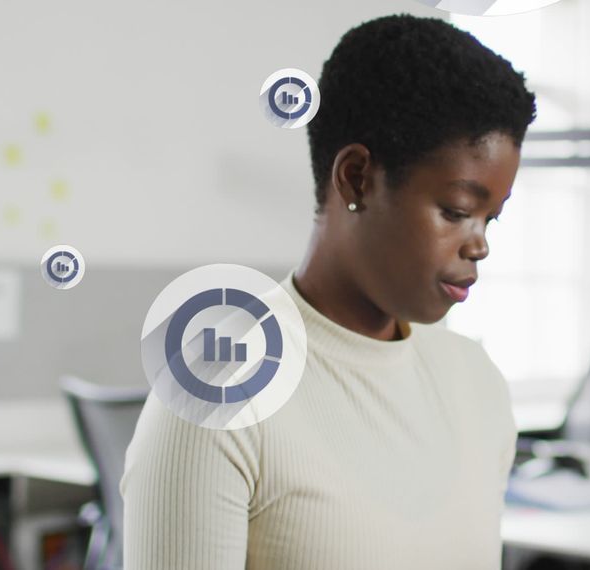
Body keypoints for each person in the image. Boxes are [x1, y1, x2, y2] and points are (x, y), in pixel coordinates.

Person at [121, 13, 537, 569]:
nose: (479, 244)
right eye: (457, 211)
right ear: (356, 177)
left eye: (491, 219)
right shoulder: (217, 398)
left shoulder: (478, 385)